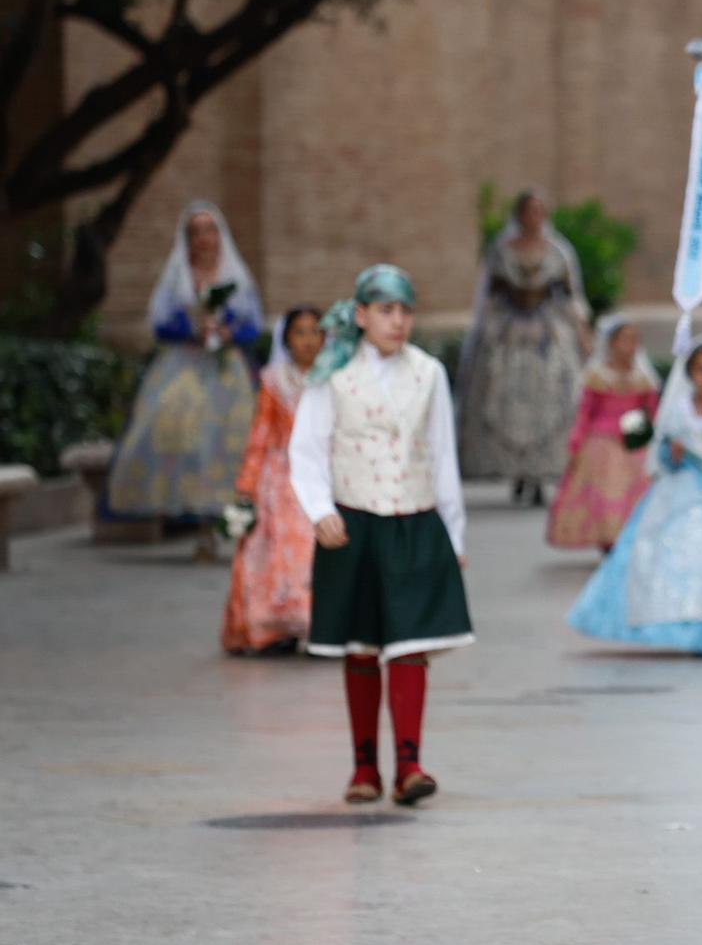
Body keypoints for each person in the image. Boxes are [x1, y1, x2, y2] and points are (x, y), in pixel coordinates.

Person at [291, 266, 472, 808]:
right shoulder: (334, 373)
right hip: (356, 522)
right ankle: (364, 768)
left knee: (412, 644)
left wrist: (454, 534)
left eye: (406, 311)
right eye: (386, 310)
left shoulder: (429, 373)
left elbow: (442, 452)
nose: (398, 322)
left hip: (415, 520)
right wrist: (319, 509)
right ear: (362, 314)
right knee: (364, 644)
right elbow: (306, 447)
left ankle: (410, 766)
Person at [567, 340, 702, 657]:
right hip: (681, 492)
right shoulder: (677, 413)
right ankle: (679, 623)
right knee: (666, 553)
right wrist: (673, 453)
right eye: (701, 370)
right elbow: (665, 461)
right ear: (690, 374)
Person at [105, 201, 263, 558]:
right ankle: (197, 520)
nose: (204, 239)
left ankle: (229, 523)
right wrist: (192, 328)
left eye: (210, 230)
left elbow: (252, 323)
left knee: (229, 444)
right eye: (197, 232)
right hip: (184, 367)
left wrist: (226, 333)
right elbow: (160, 322)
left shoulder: (234, 275)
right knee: (181, 435)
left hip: (226, 372)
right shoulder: (178, 276)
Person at [457, 189, 591, 504]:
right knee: (504, 398)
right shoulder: (502, 251)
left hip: (547, 334)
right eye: (528, 211)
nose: (533, 217)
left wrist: (582, 331)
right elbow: (489, 296)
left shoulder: (558, 251)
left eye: (538, 211)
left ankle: (540, 473)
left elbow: (571, 296)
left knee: (552, 398)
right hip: (509, 335)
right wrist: (484, 333)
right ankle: (515, 469)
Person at [221, 306, 322, 655]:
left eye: (314, 331)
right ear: (287, 340)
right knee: (276, 555)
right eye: (299, 332)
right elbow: (260, 435)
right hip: (280, 483)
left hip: (322, 479)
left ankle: (319, 627)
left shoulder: (334, 380)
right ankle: (276, 629)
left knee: (315, 553)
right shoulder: (274, 381)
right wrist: (247, 486)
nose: (308, 340)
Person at [546, 314, 661, 552]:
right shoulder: (598, 376)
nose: (629, 345)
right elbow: (585, 413)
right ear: (610, 343)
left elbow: (653, 412)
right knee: (606, 493)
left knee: (635, 492)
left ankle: (629, 537)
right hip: (602, 444)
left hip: (635, 440)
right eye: (624, 339)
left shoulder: (643, 378)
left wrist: (657, 442)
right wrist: (575, 444)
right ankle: (609, 540)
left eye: (633, 339)